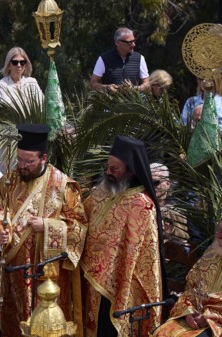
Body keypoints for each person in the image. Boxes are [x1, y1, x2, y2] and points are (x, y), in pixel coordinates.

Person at [0, 124, 87, 337]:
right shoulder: (8, 181)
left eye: (29, 161)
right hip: (14, 270)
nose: (22, 166)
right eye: (20, 160)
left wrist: (47, 225)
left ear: (43, 158)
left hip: (46, 274)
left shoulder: (63, 185)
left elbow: (79, 228)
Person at [81, 135, 165, 337]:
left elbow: (139, 254)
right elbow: (81, 219)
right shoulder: (101, 192)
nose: (108, 172)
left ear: (130, 171)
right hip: (88, 278)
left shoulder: (141, 205)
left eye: (115, 169)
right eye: (107, 167)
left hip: (119, 286)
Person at [152, 219, 222, 337]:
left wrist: (209, 317)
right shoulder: (212, 252)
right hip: (196, 316)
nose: (219, 236)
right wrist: (187, 311)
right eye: (219, 230)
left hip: (217, 323)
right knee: (161, 332)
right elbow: (191, 288)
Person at [89, 27, 149, 94]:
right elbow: (92, 84)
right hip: (111, 103)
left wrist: (134, 89)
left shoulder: (140, 58)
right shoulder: (104, 59)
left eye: (134, 41)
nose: (134, 45)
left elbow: (147, 84)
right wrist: (107, 88)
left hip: (133, 103)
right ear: (117, 43)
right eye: (130, 42)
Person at [151, 163, 190, 245]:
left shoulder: (178, 211)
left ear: (167, 184)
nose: (151, 186)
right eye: (148, 182)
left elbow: (191, 244)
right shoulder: (137, 208)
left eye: (155, 182)